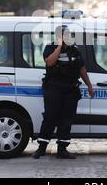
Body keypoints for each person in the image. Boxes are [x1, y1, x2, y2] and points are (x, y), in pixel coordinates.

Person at [33, 25, 95, 160]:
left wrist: (89, 85)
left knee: (67, 119)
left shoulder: (75, 51)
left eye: (69, 35)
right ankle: (41, 148)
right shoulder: (50, 48)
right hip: (54, 88)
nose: (68, 37)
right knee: (50, 118)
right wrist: (59, 46)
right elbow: (49, 62)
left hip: (70, 89)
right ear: (58, 37)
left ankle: (62, 150)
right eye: (65, 35)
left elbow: (82, 69)